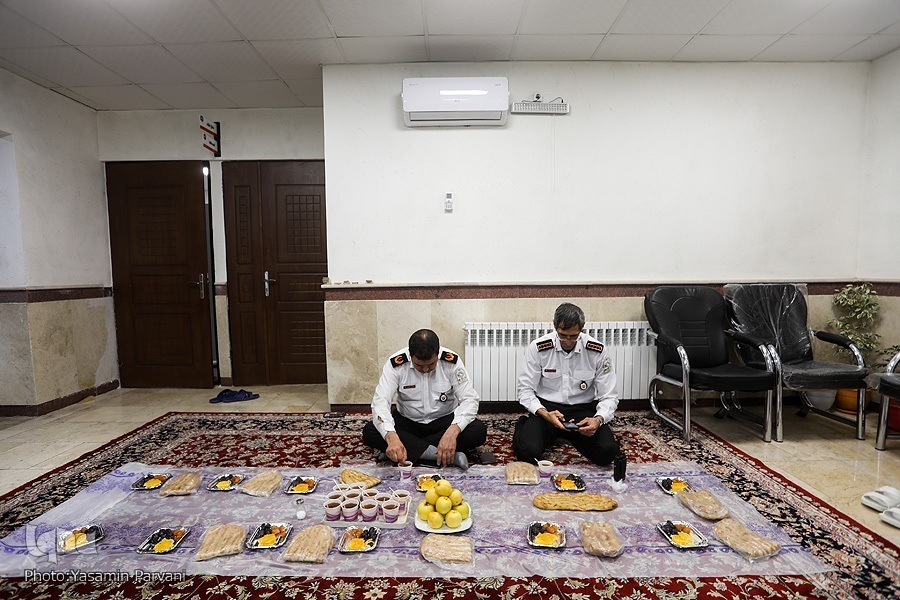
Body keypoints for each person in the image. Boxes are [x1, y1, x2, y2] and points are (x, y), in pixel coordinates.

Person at [363, 328, 487, 470]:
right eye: (419, 366)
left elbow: (469, 399)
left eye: (431, 365)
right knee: (371, 431)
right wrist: (392, 437)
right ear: (410, 356)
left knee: (478, 430)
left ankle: (408, 451)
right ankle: (443, 455)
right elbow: (380, 403)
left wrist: (452, 432)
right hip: (408, 422)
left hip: (443, 422)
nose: (426, 370)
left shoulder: (451, 362)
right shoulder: (396, 365)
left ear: (438, 354)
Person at [513, 302, 620, 466]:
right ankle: (524, 424)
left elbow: (609, 395)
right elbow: (525, 391)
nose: (568, 341)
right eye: (563, 335)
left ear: (582, 328)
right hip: (547, 410)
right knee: (528, 452)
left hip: (582, 410)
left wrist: (598, 419)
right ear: (554, 326)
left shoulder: (596, 350)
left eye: (573, 336)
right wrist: (544, 413)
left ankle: (571, 436)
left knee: (607, 453)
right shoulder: (538, 348)